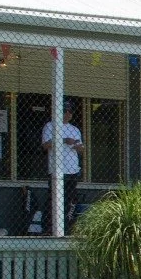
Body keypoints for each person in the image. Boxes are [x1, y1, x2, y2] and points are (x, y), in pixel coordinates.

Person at [40, 98, 83, 229]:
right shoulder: (50, 126)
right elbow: (45, 145)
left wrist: (78, 146)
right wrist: (64, 140)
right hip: (57, 169)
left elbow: (81, 148)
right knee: (54, 198)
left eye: (70, 111)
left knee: (70, 199)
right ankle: (48, 227)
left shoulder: (75, 129)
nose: (68, 114)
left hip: (72, 169)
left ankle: (66, 226)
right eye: (65, 111)